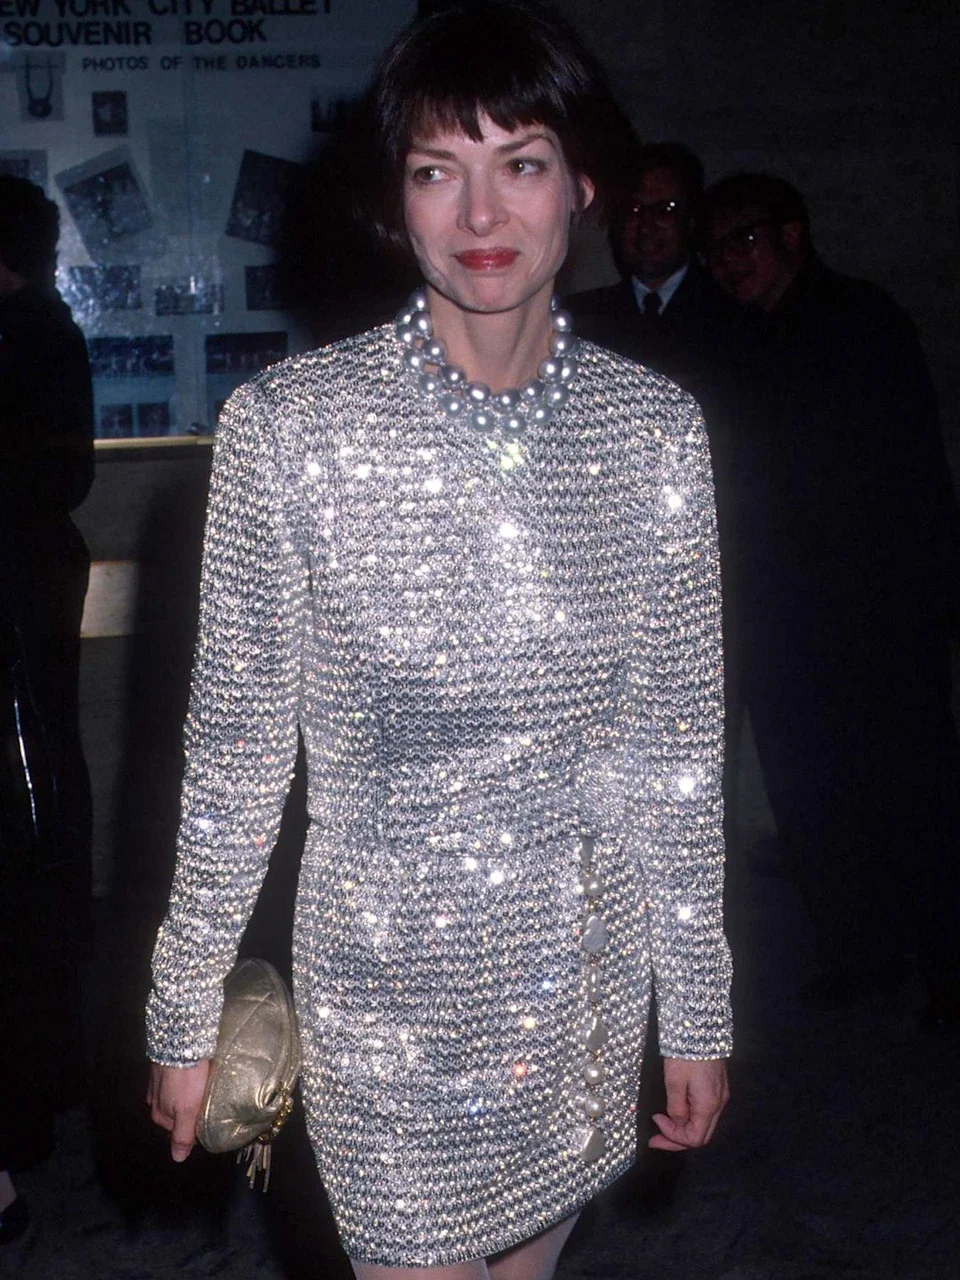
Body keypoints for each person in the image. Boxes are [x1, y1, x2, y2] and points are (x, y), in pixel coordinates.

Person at [146, 6, 733, 1277]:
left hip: (581, 979)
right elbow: (237, 753)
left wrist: (697, 1005)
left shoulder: (654, 434)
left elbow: (673, 757)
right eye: (435, 170)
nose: (479, 213)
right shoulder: (291, 430)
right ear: (395, 197)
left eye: (520, 162)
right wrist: (184, 1007)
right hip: (383, 1004)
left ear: (581, 183)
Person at [701, 173, 960, 1026]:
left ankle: (950, 967)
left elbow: (908, 472)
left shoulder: (861, 319)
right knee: (812, 796)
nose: (729, 261)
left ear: (793, 235)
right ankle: (860, 952)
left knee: (913, 792)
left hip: (876, 609)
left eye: (744, 239)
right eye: (718, 248)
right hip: (783, 615)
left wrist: (921, 597)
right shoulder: (740, 338)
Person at [567, 144, 769, 852]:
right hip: (593, 589)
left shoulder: (743, 324)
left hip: (708, 584)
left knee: (692, 775)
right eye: (632, 210)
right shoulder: (575, 324)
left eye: (667, 209)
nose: (647, 225)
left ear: (692, 221)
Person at [0, 174, 95, 1244]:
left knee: (26, 870)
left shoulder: (32, 339)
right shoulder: (40, 335)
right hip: (24, 629)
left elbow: (51, 481)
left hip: (15, 637)